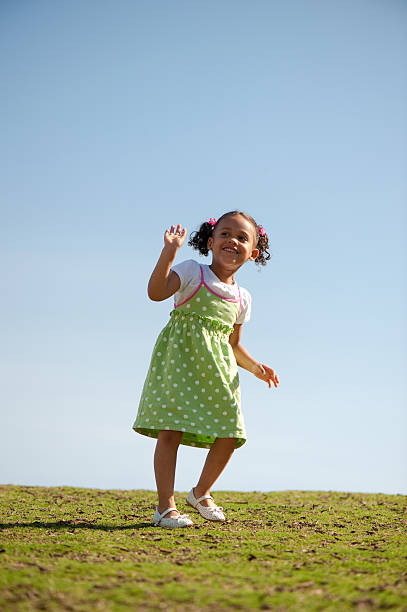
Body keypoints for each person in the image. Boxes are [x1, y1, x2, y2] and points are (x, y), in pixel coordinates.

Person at [132, 211, 279, 528]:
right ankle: (165, 507)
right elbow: (156, 293)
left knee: (231, 431)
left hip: (219, 372)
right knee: (170, 430)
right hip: (180, 365)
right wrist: (169, 253)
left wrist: (256, 368)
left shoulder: (243, 298)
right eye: (225, 234)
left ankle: (200, 492)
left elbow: (233, 344)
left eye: (242, 238)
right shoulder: (191, 272)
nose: (233, 241)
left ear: (253, 252)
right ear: (211, 242)